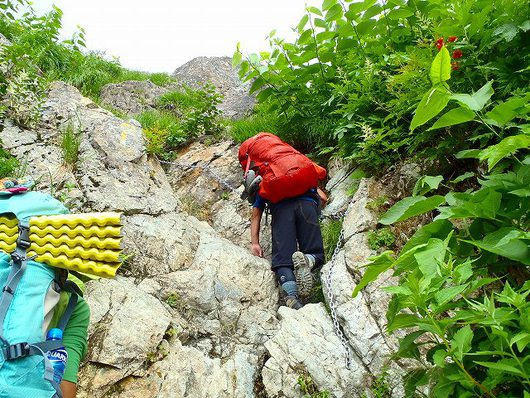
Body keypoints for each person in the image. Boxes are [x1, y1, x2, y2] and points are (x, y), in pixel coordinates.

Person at [250, 187, 328, 309]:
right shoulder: (300, 171)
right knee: (316, 253)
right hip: (307, 206)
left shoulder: (267, 177)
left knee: (283, 261)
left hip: (282, 210)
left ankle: (292, 298)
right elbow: (323, 198)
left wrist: (255, 243)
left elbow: (256, 213)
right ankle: (308, 260)